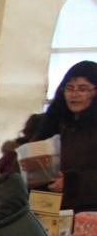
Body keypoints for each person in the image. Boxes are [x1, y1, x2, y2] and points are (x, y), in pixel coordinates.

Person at [33, 59, 97, 211]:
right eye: (69, 88)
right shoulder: (52, 123)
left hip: (88, 213)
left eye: (82, 88)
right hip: (47, 204)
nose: (74, 94)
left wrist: (71, 183)